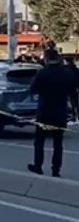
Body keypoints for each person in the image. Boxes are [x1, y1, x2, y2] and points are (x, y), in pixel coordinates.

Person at [28, 49, 79, 177]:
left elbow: (33, 89)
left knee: (39, 141)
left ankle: (38, 166)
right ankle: (56, 169)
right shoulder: (66, 73)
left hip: (44, 111)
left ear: (46, 58)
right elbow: (73, 88)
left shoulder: (42, 73)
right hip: (60, 112)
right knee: (58, 142)